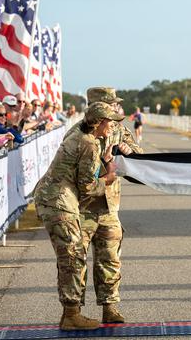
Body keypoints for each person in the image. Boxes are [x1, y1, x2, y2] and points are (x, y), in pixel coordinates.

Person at [33, 102, 125, 331]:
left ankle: (71, 314)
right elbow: (87, 186)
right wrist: (109, 179)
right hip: (58, 201)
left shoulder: (84, 137)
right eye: (110, 122)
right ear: (99, 122)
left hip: (58, 199)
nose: (112, 126)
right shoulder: (88, 142)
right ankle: (71, 316)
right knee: (73, 256)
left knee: (72, 255)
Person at [67, 86, 142, 324]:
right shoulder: (77, 133)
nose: (116, 107)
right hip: (82, 205)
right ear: (97, 107)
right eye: (111, 104)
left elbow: (140, 158)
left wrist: (130, 153)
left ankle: (110, 307)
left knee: (110, 258)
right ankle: (73, 312)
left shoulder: (118, 129)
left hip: (109, 206)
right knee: (75, 260)